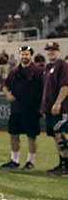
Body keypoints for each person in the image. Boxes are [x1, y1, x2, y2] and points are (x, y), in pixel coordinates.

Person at [2, 45, 43, 170]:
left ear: (31, 56)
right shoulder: (14, 71)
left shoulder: (38, 71)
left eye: (26, 54)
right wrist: (7, 94)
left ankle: (30, 162)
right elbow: (5, 85)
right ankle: (15, 160)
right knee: (14, 135)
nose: (24, 56)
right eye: (22, 54)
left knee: (32, 136)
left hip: (32, 109)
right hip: (16, 109)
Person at [41, 42, 68, 176]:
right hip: (50, 109)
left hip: (61, 108)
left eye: (53, 49)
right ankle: (62, 163)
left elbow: (65, 86)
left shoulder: (62, 65)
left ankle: (66, 166)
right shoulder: (48, 67)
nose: (50, 52)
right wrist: (45, 107)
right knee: (56, 136)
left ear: (58, 51)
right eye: (48, 50)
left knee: (60, 134)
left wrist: (58, 103)